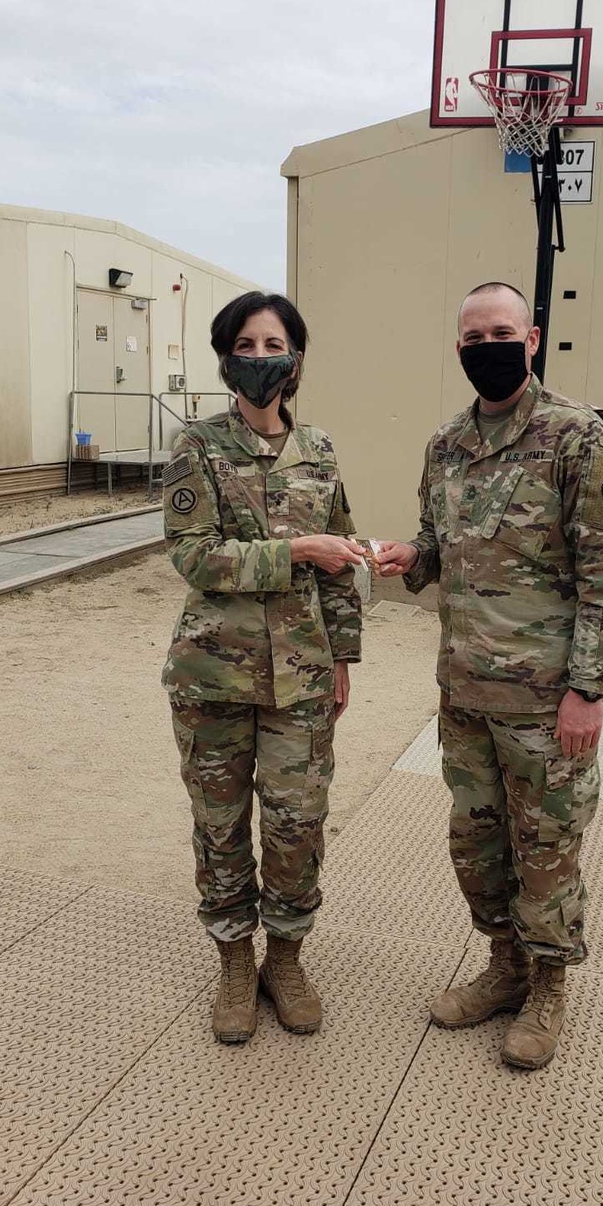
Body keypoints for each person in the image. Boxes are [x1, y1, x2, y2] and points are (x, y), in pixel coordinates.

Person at [377, 281, 603, 1070]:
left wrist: (588, 690)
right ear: (459, 348)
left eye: (502, 331)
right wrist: (408, 558)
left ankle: (551, 987)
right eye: (472, 335)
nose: (486, 345)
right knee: (477, 844)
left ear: (530, 340)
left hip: (545, 702)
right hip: (464, 698)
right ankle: (505, 965)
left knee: (546, 848)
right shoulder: (446, 444)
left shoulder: (576, 437)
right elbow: (438, 542)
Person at [162, 291, 363, 1044]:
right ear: (225, 357)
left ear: (296, 359)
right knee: (219, 827)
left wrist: (343, 656)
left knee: (295, 824)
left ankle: (286, 956)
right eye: (244, 344)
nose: (258, 357)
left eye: (271, 342)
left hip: (303, 679)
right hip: (212, 677)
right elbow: (193, 554)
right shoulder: (197, 448)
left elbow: (340, 563)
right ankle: (234, 963)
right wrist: (294, 553)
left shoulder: (320, 452)